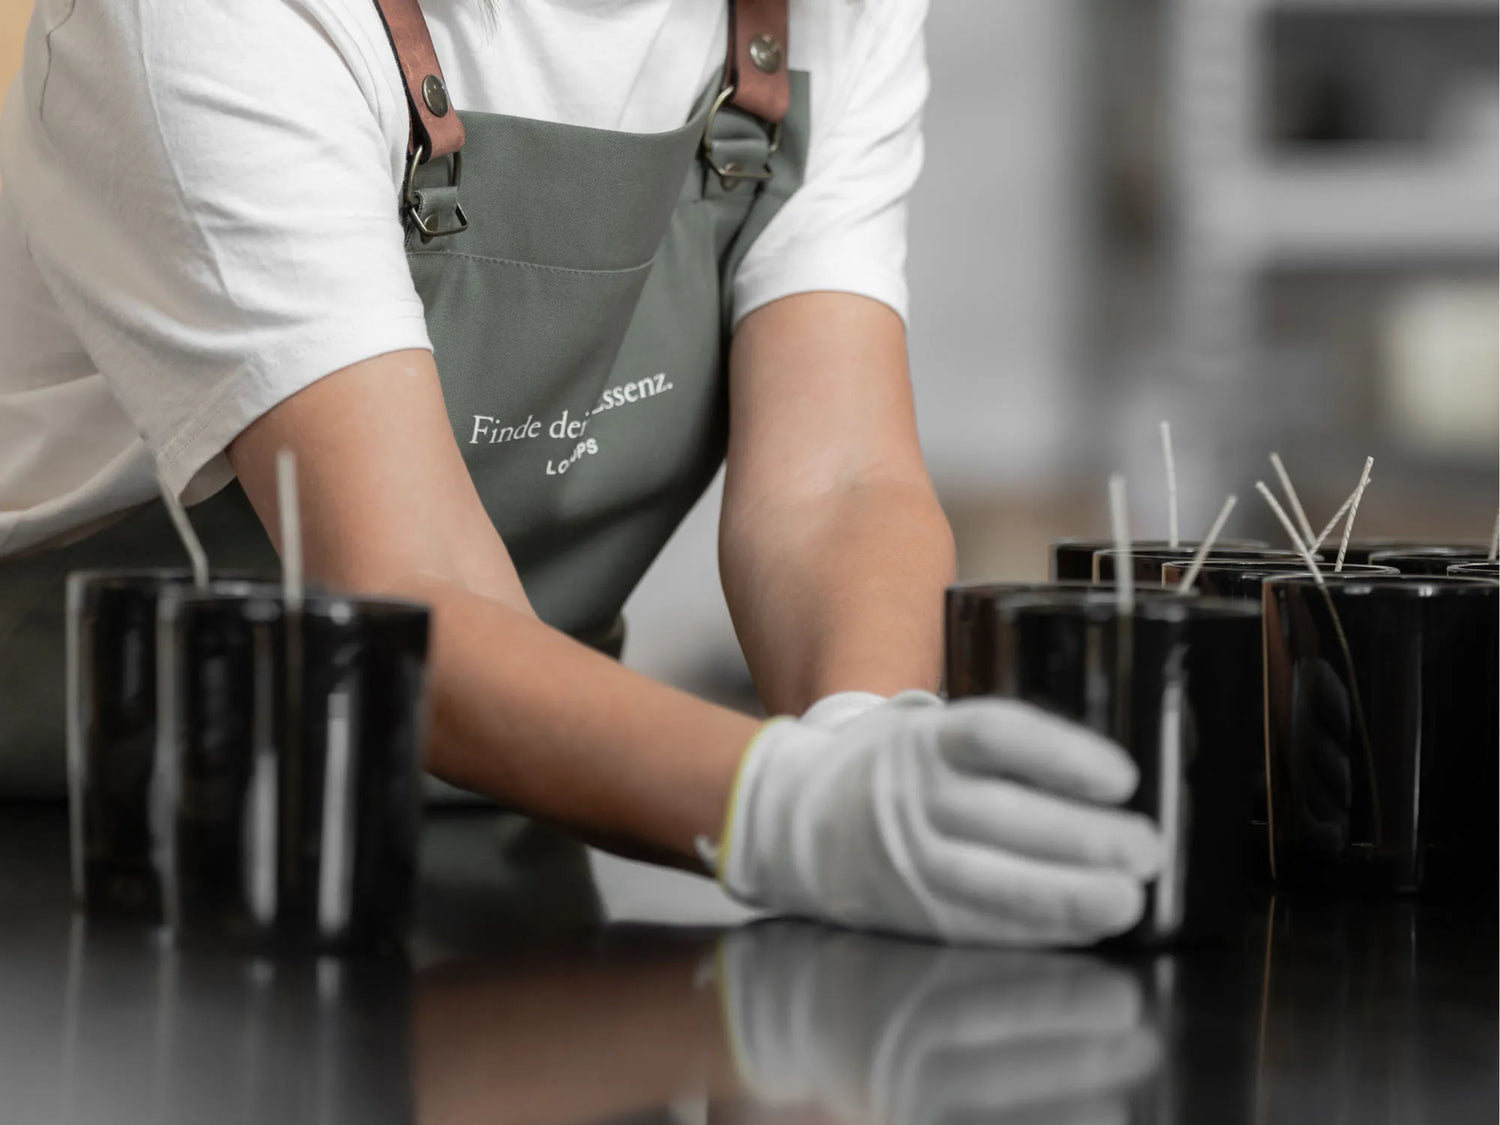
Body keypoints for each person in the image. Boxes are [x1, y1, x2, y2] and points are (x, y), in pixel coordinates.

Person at [0, 0, 1161, 945]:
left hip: (512, 801)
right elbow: (414, 595)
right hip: (82, 860)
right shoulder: (207, 20)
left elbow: (837, 486)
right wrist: (791, 808)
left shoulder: (820, 16)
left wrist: (868, 741)